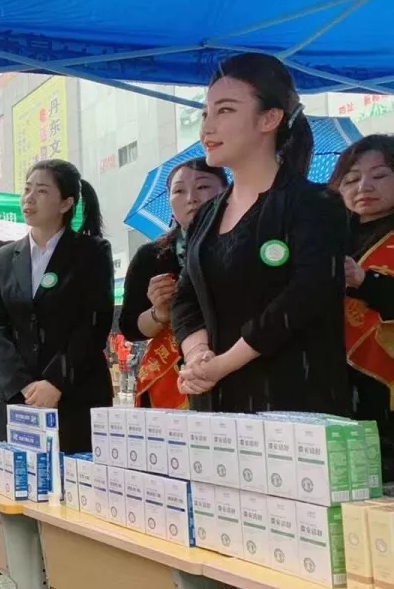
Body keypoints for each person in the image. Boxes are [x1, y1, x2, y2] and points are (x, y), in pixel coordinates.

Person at [172, 53, 349, 414]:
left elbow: (305, 297)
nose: (207, 128)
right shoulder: (206, 214)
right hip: (215, 406)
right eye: (205, 114)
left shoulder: (314, 204)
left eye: (225, 110)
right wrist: (198, 355)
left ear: (269, 118)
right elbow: (185, 298)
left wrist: (224, 364)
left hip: (293, 407)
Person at [0, 159, 114, 454]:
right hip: (17, 399)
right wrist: (21, 385)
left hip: (75, 396)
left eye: (41, 191)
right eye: (27, 189)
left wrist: (56, 382)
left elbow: (94, 323)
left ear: (66, 203)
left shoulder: (91, 253)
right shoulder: (3, 258)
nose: (29, 198)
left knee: (73, 479)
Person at [119, 159, 228, 409]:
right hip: (172, 380)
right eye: (179, 191)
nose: (191, 198)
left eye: (203, 187)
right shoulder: (151, 257)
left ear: (227, 192)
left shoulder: (245, 242)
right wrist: (158, 313)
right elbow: (130, 327)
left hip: (234, 366)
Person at [330, 135, 394, 483]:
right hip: (338, 380)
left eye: (380, 175)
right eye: (351, 179)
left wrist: (366, 282)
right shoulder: (327, 235)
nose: (364, 187)